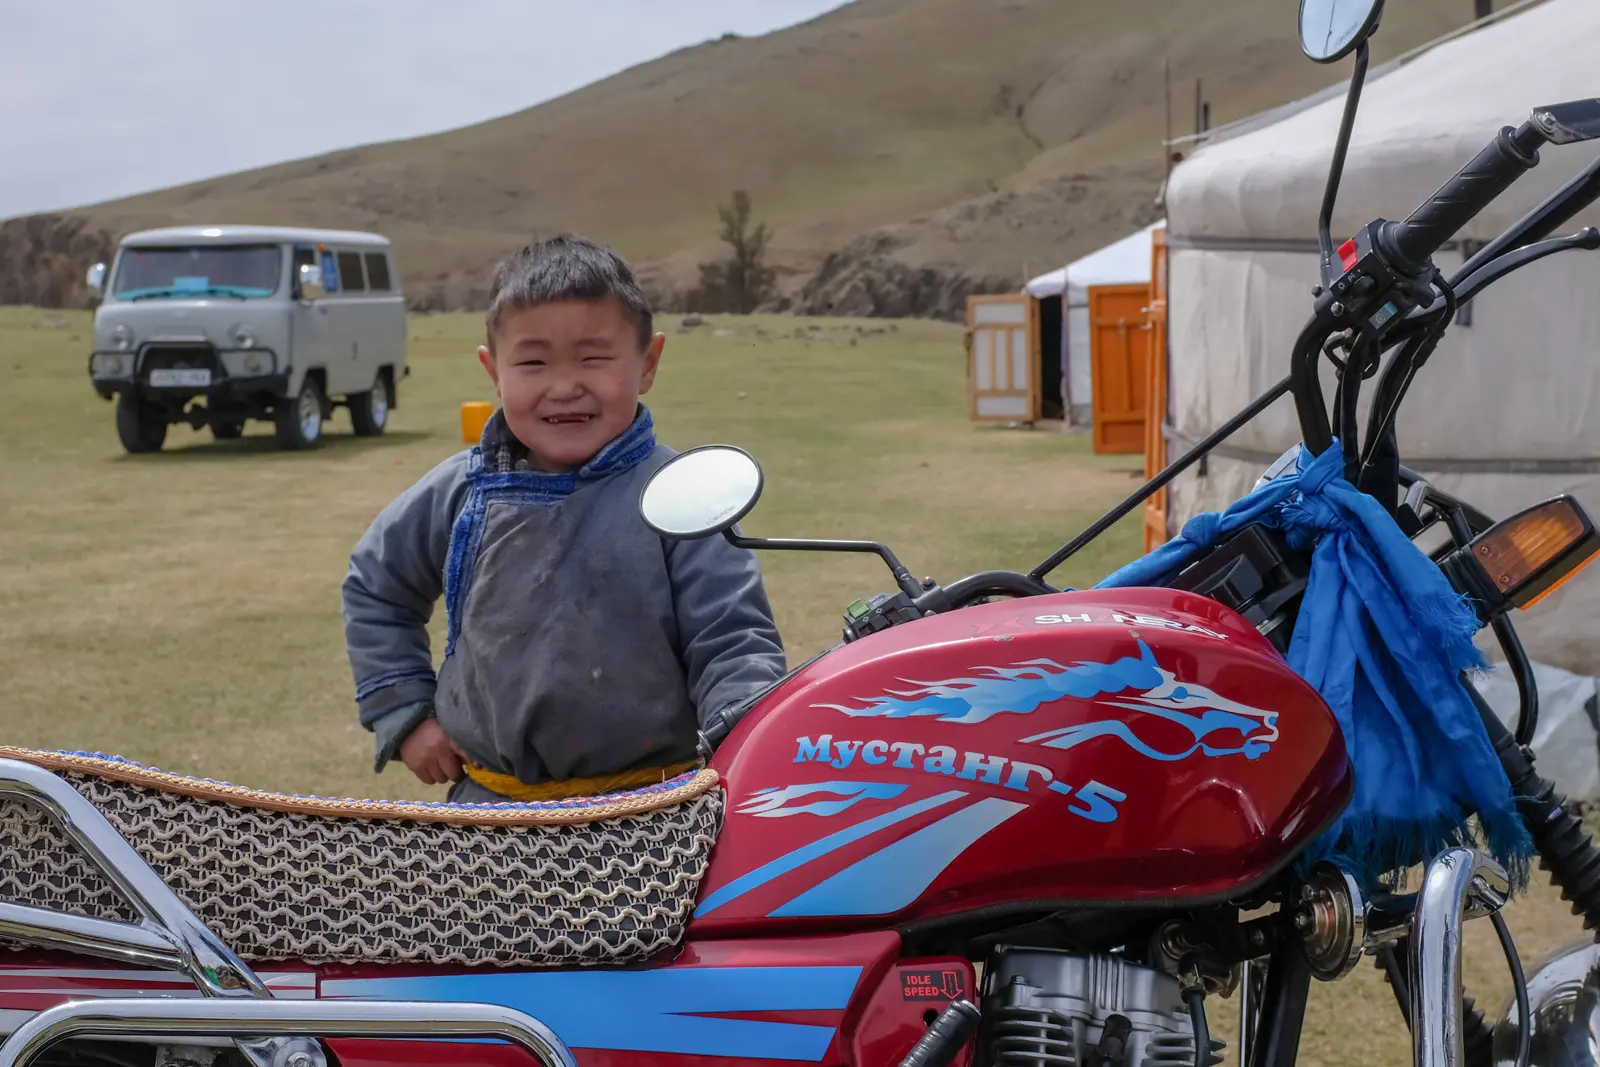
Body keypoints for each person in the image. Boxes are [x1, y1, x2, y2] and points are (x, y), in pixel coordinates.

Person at [341, 234, 786, 802]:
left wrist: (747, 745)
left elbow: (734, 641)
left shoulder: (680, 495)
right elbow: (376, 587)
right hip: (488, 808)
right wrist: (404, 712)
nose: (565, 385)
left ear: (648, 364)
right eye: (532, 361)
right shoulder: (458, 491)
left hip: (652, 810)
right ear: (493, 371)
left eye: (594, 358)